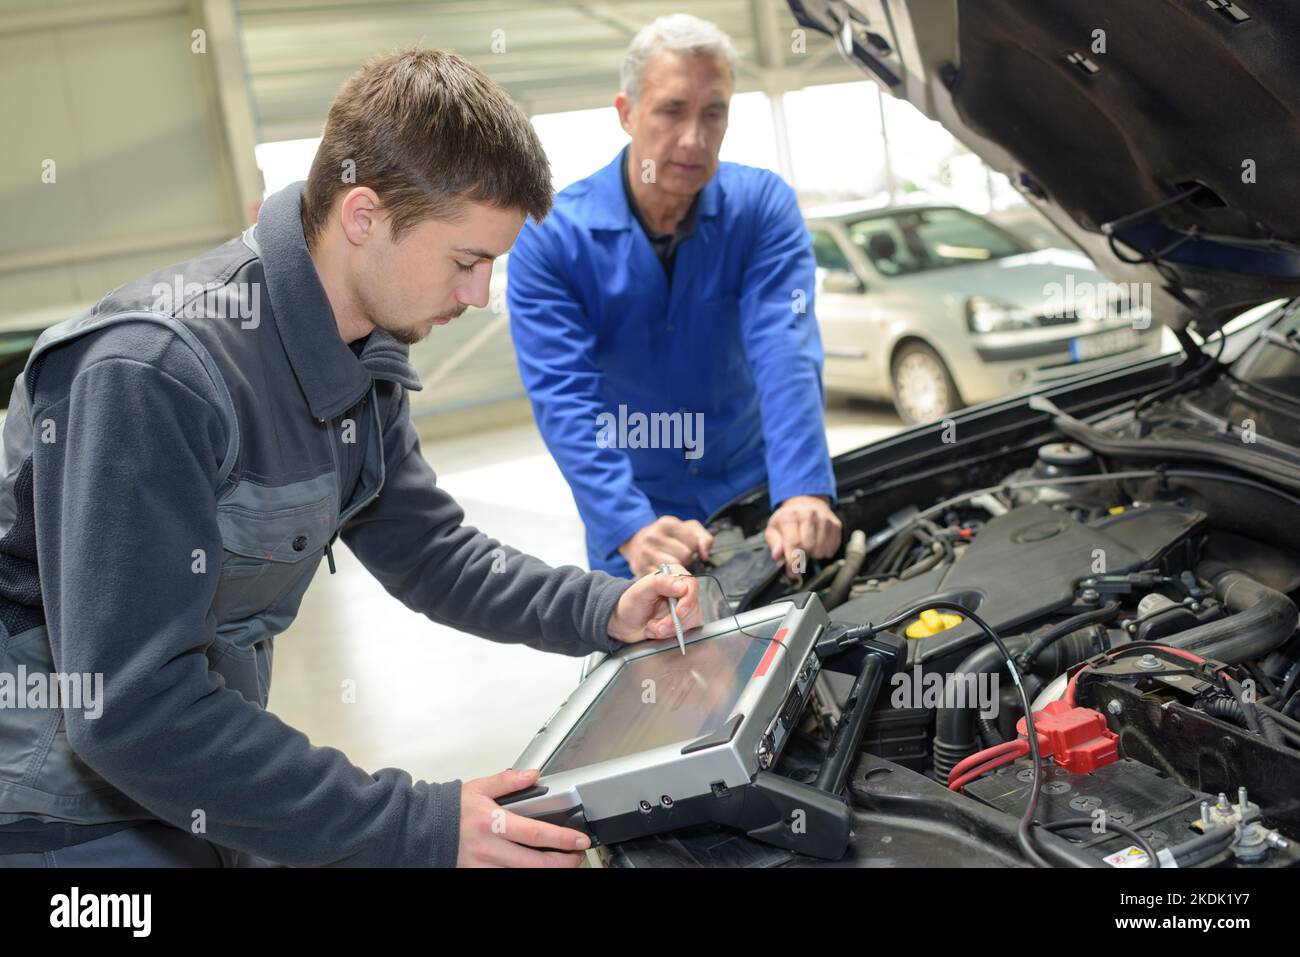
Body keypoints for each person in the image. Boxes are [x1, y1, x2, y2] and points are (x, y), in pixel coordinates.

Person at [0, 48, 700, 869]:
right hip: (62, 811)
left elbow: (430, 553)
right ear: (363, 216)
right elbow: (131, 706)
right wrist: (421, 824)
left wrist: (603, 610)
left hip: (201, 764)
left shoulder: (361, 357)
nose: (479, 298)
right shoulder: (157, 375)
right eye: (467, 261)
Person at [508, 14, 843, 579]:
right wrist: (627, 525)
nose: (695, 138)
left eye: (714, 112)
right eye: (671, 110)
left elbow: (785, 347)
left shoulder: (761, 208)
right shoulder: (553, 237)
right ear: (626, 112)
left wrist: (802, 489)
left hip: (755, 484)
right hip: (636, 503)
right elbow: (565, 398)